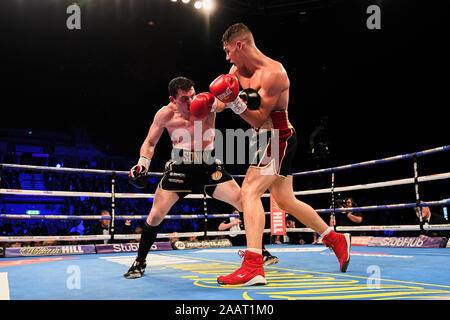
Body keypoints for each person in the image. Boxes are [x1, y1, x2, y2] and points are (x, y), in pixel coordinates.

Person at [209, 23, 351, 286]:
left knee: (249, 191)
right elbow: (222, 101)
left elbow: (259, 118)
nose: (227, 57)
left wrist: (234, 102)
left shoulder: (274, 73)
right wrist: (209, 103)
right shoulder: (236, 70)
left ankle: (253, 266)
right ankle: (334, 238)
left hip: (278, 136)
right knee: (285, 199)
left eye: (229, 51)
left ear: (240, 45)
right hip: (263, 138)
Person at [123, 76, 244, 279]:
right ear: (173, 99)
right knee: (155, 216)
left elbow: (231, 104)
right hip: (180, 168)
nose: (192, 101)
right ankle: (139, 262)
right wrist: (142, 164)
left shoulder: (208, 102)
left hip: (209, 166)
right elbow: (150, 143)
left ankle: (258, 253)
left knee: (244, 201)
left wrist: (238, 97)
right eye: (185, 98)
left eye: (193, 95)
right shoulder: (165, 114)